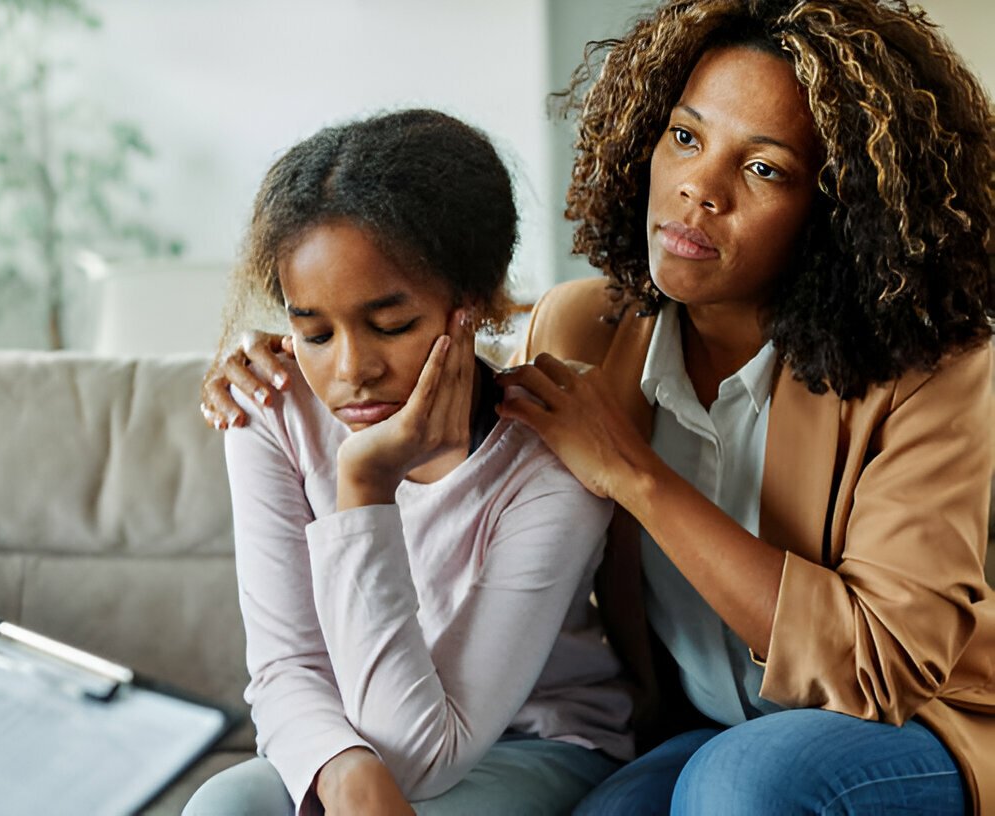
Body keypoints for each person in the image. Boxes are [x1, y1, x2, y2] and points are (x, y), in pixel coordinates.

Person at [199, 2, 995, 812]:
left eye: (763, 169)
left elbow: (878, 664)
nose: (699, 189)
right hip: (694, 726)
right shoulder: (584, 327)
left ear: (840, 207)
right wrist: (275, 356)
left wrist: (635, 475)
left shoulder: (930, 371)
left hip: (908, 727)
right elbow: (428, 341)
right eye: (685, 137)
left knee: (739, 787)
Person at [184, 109, 632, 816]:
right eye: (315, 332)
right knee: (224, 807)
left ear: (475, 305)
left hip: (533, 746)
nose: (351, 370)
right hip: (342, 737)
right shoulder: (270, 412)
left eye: (391, 326)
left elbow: (424, 756)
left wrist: (365, 485)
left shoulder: (552, 462)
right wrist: (341, 767)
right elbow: (285, 667)